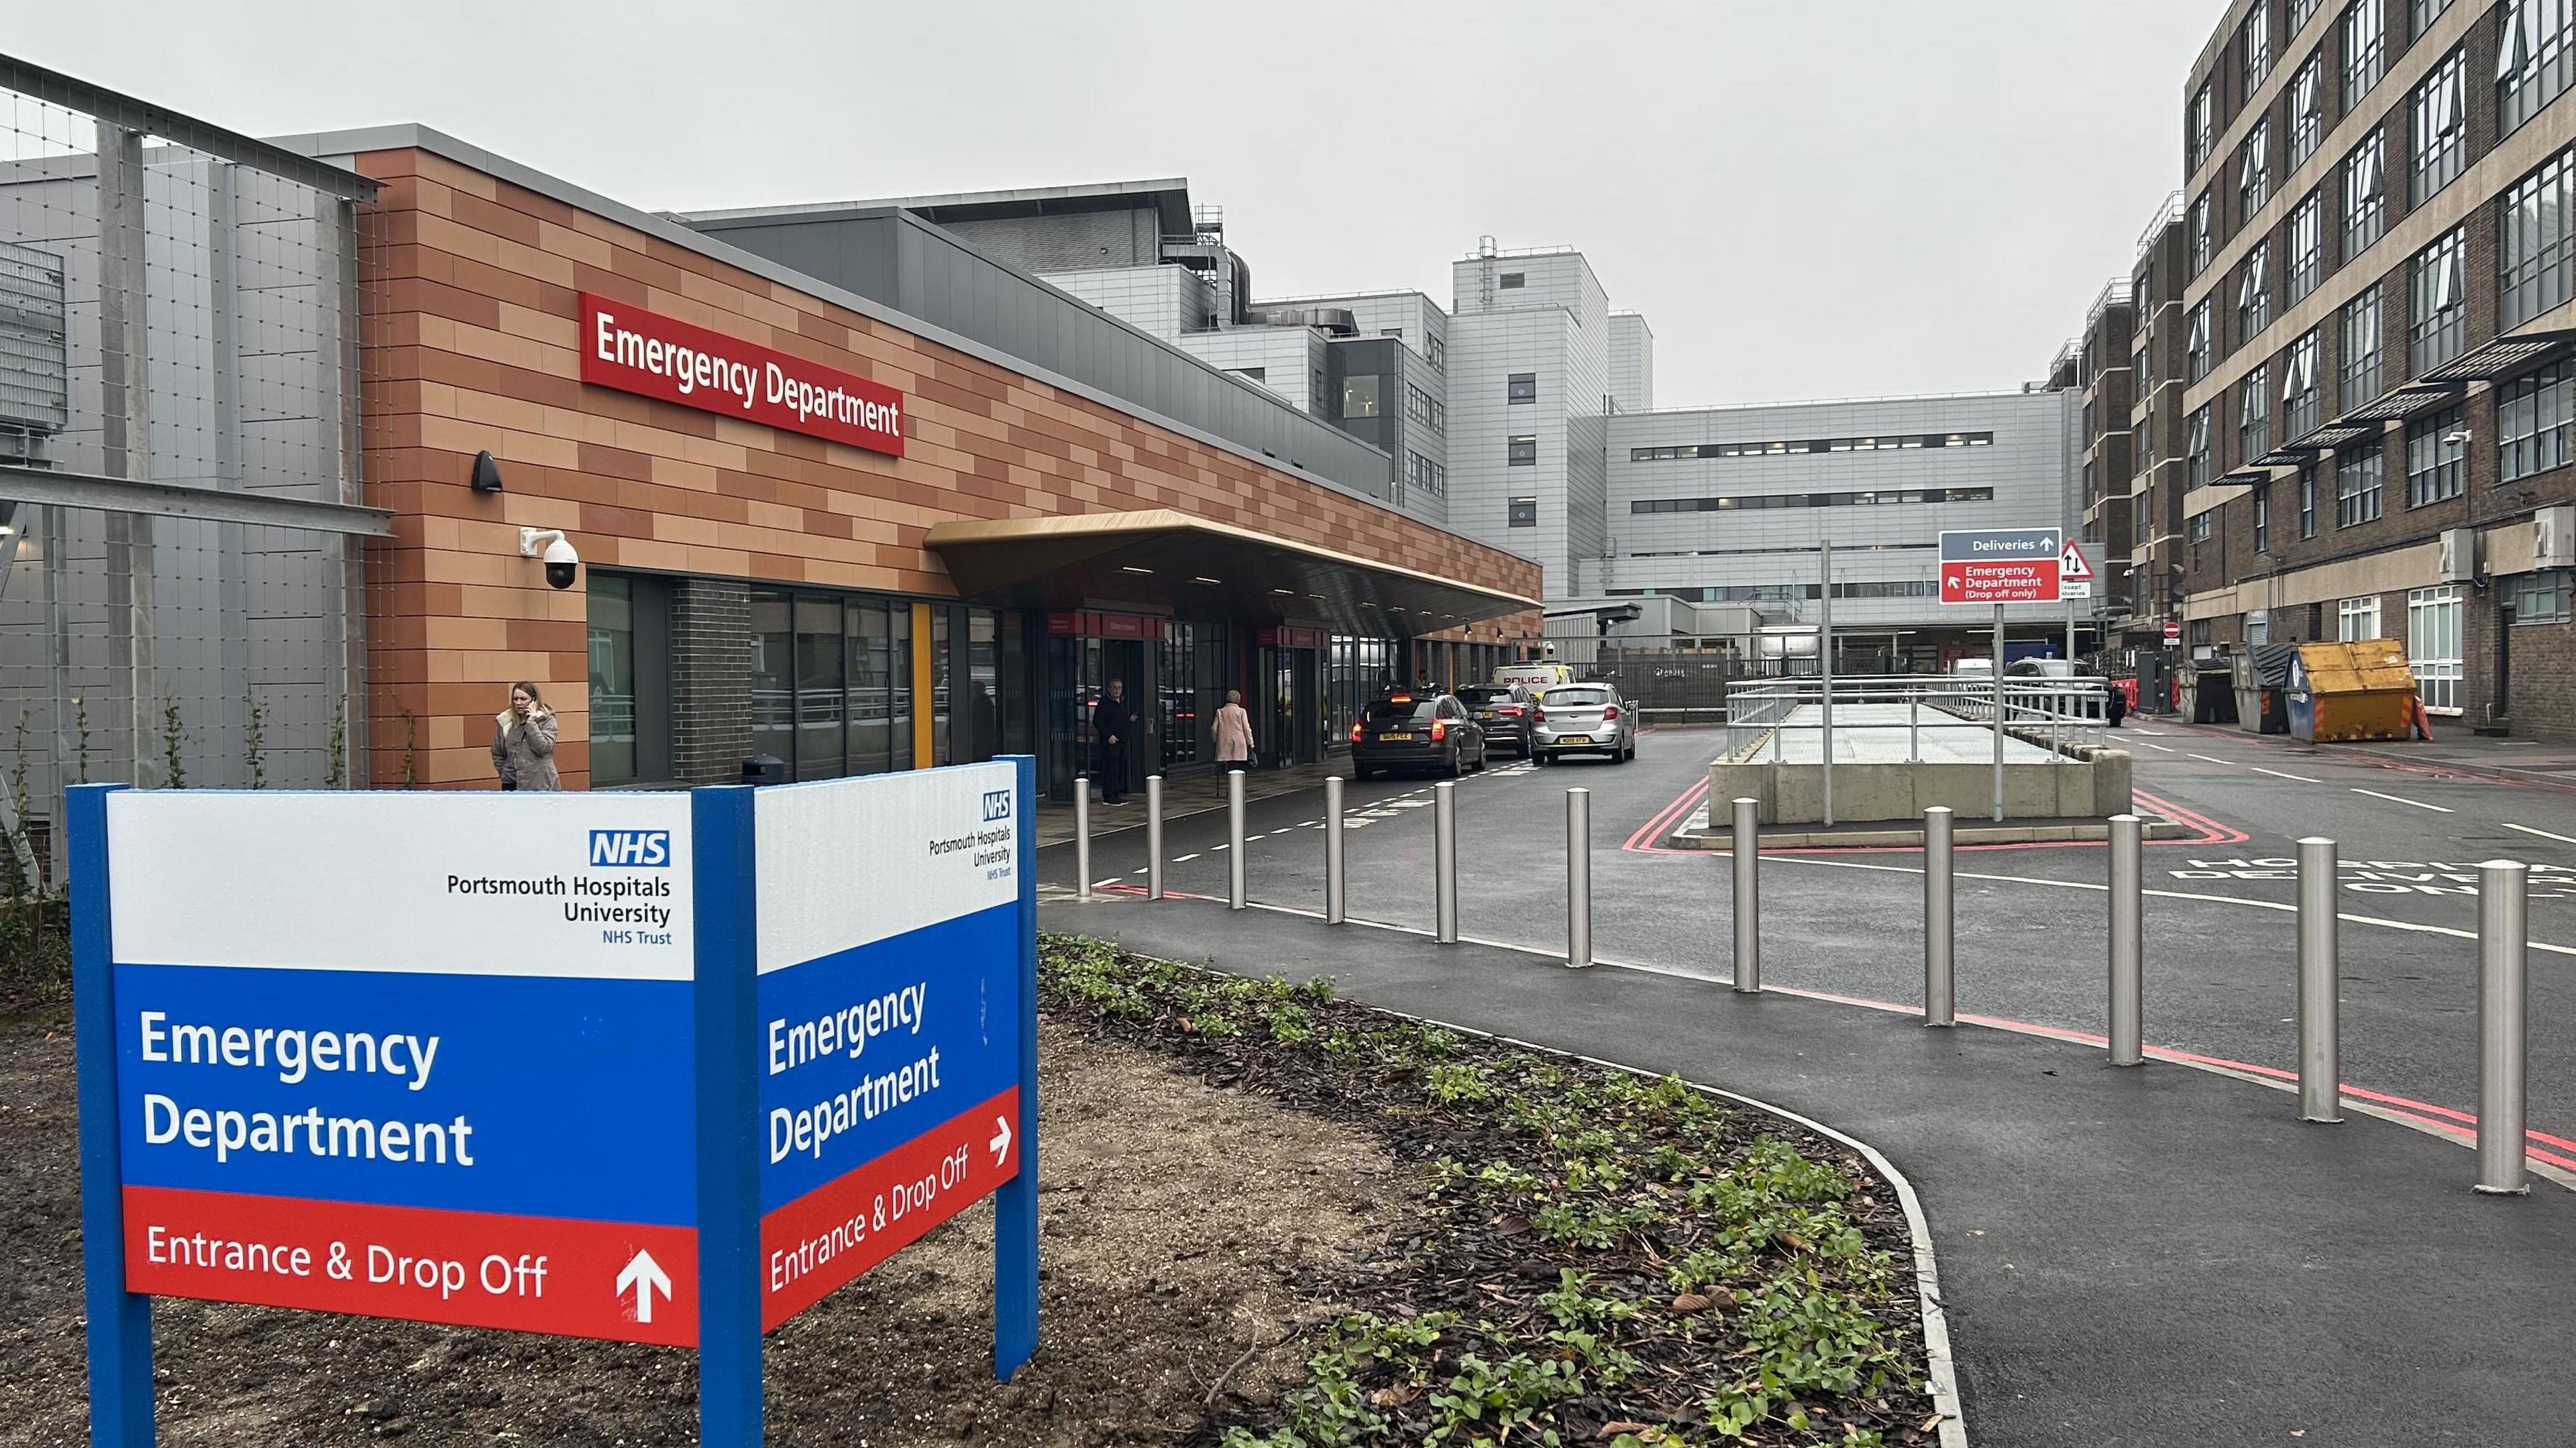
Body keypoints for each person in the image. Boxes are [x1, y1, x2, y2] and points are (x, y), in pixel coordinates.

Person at [492, 681, 560, 791]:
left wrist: (531, 724)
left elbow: (543, 749)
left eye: (523, 699)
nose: (518, 703)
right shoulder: (506, 721)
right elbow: (497, 751)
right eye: (515, 699)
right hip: (511, 784)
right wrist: (504, 772)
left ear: (534, 700)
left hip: (540, 784)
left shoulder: (546, 720)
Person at [1091, 677, 1130, 803]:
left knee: (1120, 768)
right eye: (1115, 688)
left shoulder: (1122, 703)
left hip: (1122, 740)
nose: (1117, 690)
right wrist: (1108, 736)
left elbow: (1123, 721)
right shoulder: (1104, 703)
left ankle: (1116, 793)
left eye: (1119, 688)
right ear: (1109, 689)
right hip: (1110, 742)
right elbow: (1098, 721)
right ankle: (1109, 796)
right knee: (1111, 768)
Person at [1214, 687, 1254, 768]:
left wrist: (1216, 740)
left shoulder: (1220, 712)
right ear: (1238, 699)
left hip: (1224, 742)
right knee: (1238, 767)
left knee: (1228, 766)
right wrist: (1250, 743)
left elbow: (1214, 728)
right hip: (1239, 744)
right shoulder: (1241, 712)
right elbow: (1247, 729)